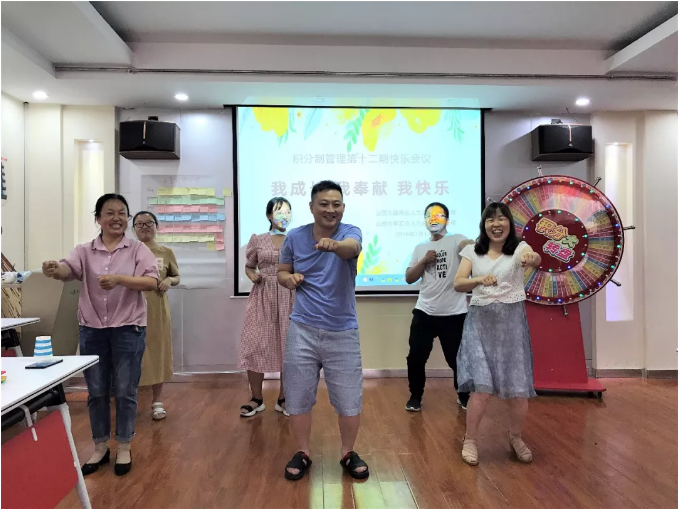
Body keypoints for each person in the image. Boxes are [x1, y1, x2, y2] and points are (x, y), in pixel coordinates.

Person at [42, 193, 159, 476]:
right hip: (92, 328)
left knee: (125, 390)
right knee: (96, 391)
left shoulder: (137, 249)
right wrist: (54, 269)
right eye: (110, 213)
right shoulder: (84, 250)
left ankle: (124, 446)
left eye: (122, 213)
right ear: (98, 219)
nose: (117, 218)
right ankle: (100, 446)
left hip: (128, 327)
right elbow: (67, 270)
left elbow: (151, 281)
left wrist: (119, 279)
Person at [278, 180, 368, 481]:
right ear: (312, 207)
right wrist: (288, 279)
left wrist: (335, 245)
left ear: (343, 207)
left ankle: (348, 452)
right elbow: (282, 271)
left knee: (349, 398)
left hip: (342, 331)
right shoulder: (295, 236)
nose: (331, 209)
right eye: (324, 204)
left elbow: (352, 248)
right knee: (297, 395)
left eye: (336, 204)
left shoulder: (350, 232)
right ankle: (302, 451)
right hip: (302, 328)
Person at [453, 202, 541, 466]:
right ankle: (470, 440)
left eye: (501, 218)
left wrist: (532, 259)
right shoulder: (472, 251)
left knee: (518, 389)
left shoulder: (519, 248)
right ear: (484, 225)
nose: (496, 224)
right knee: (481, 388)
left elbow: (534, 257)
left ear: (509, 223)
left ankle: (515, 437)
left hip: (511, 325)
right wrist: (479, 280)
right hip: (479, 325)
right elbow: (458, 283)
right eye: (490, 219)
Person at [404, 202, 474, 413]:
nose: (433, 219)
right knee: (416, 357)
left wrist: (472, 245)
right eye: (429, 215)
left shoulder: (456, 239)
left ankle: (463, 395)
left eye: (438, 215)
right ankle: (415, 396)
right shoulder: (420, 247)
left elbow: (467, 245)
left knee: (456, 359)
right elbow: (409, 278)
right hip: (424, 311)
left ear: (447, 220)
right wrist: (424, 261)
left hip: (454, 313)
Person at [237, 197, 294, 417]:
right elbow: (249, 266)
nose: (284, 216)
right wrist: (253, 275)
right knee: (255, 345)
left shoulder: (296, 239)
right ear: (269, 216)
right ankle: (256, 398)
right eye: (279, 212)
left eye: (288, 212)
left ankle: (284, 398)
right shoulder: (258, 239)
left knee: (289, 346)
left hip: (289, 296)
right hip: (263, 296)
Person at [133, 211, 180, 421]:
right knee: (132, 354)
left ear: (156, 226)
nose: (144, 227)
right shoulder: (128, 251)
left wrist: (169, 281)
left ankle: (157, 401)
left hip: (157, 308)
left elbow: (176, 276)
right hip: (131, 308)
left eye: (148, 223)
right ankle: (130, 400)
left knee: (158, 351)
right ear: (133, 229)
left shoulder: (166, 252)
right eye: (139, 224)